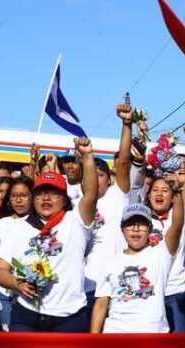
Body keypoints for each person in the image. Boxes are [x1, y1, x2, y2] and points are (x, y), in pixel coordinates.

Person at [0, 137, 98, 332]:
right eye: (41, 193)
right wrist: (17, 283)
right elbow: (0, 269)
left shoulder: (76, 220)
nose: (46, 198)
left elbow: (91, 194)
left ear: (64, 198)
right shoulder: (19, 227)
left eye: (54, 193)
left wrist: (87, 156)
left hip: (69, 316)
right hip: (26, 314)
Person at [91, 195, 184, 333]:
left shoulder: (161, 254)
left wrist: (177, 194)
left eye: (141, 223)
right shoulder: (109, 263)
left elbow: (176, 226)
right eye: (130, 224)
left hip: (152, 335)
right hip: (115, 334)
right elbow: (101, 304)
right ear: (122, 229)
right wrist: (94, 340)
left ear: (150, 228)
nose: (136, 229)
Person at [145, 124, 185, 332]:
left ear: (173, 195)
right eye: (155, 190)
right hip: (148, 292)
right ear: (148, 195)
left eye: (165, 190)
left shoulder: (181, 213)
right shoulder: (139, 221)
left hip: (176, 293)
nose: (159, 194)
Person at [83, 104, 134, 309]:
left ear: (110, 180)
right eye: (90, 174)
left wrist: (126, 124)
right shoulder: (75, 206)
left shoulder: (118, 195)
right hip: (87, 285)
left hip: (118, 284)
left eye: (100, 174)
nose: (95, 179)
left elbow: (122, 161)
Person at [0, 177, 33, 331]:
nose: (18, 200)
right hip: (4, 293)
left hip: (30, 293)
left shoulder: (39, 225)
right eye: (14, 196)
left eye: (24, 195)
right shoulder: (1, 224)